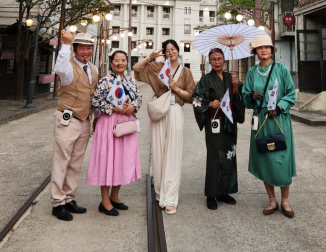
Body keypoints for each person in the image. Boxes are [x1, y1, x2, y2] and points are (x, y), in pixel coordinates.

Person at [133, 39, 195, 215]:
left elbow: (191, 96)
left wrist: (175, 88)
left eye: (173, 49)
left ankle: (171, 197)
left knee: (173, 153)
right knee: (159, 152)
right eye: (167, 50)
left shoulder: (186, 72)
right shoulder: (157, 67)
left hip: (175, 110)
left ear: (178, 50)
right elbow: (136, 69)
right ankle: (160, 191)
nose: (170, 52)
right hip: (160, 110)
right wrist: (149, 58)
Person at [242, 35, 296, 218]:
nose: (264, 50)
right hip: (261, 120)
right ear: (255, 52)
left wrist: (279, 106)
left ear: (272, 50)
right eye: (260, 47)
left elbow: (290, 93)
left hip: (279, 119)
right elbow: (244, 97)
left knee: (282, 158)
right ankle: (272, 201)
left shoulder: (281, 70)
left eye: (267, 47)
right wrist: (251, 96)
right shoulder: (251, 73)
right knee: (264, 159)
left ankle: (285, 201)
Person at [86, 50, 143, 216]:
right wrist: (114, 108)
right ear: (111, 63)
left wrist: (133, 107)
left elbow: (139, 98)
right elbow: (95, 101)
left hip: (126, 123)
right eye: (116, 60)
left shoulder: (131, 81)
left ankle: (115, 196)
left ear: (127, 62)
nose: (120, 63)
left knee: (122, 160)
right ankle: (104, 201)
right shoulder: (105, 81)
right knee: (107, 160)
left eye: (123, 60)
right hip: (109, 123)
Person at [50, 31, 98, 221]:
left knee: (76, 163)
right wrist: (66, 45)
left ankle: (69, 198)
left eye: (89, 48)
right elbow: (59, 69)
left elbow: (93, 95)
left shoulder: (93, 69)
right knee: (62, 160)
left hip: (85, 120)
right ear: (75, 50)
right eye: (82, 48)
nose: (86, 51)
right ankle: (57, 202)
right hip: (67, 119)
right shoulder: (67, 66)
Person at [192, 48, 245, 210]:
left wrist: (236, 87)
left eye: (220, 58)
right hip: (214, 123)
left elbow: (240, 98)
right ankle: (211, 194)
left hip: (229, 123)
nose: (217, 62)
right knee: (215, 157)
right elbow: (195, 98)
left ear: (224, 60)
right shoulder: (205, 80)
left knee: (229, 156)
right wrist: (209, 103)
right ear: (210, 61)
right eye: (214, 59)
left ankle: (224, 191)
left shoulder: (232, 78)